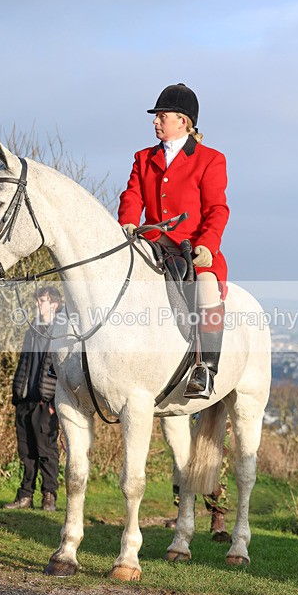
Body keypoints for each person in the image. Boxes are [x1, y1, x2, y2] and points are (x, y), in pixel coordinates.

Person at [118, 83, 229, 398]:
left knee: (207, 289)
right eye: (155, 117)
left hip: (192, 249)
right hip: (150, 244)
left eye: (161, 116)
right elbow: (132, 194)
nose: (155, 121)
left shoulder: (210, 159)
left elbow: (217, 208)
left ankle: (204, 371)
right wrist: (127, 222)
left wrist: (208, 244)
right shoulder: (143, 157)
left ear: (183, 121)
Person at [3, 286, 62, 512]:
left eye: (43, 301)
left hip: (45, 402)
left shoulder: (61, 332)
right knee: (26, 451)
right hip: (25, 400)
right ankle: (25, 495)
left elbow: (62, 369)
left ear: (53, 304)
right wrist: (17, 394)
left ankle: (49, 496)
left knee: (47, 452)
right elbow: (24, 363)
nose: (38, 304)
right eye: (38, 300)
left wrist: (54, 401)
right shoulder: (32, 330)